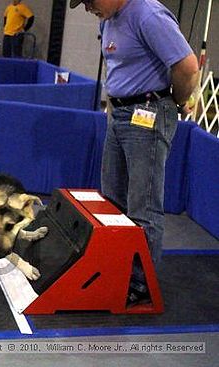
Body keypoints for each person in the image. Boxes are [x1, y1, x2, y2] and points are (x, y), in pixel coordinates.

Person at [69, 0, 198, 304]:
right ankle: (114, 271)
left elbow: (188, 66)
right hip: (120, 114)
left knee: (143, 207)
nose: (87, 7)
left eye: (89, 1)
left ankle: (141, 285)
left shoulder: (147, 13)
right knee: (112, 202)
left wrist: (177, 102)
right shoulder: (108, 19)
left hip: (149, 113)